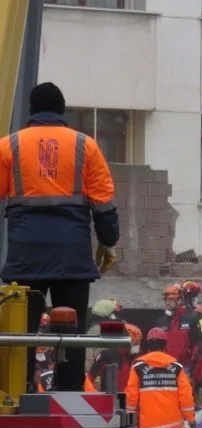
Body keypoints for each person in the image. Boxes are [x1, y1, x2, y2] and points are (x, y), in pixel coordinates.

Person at [0, 82, 119, 392]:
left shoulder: (8, 146)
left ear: (32, 110)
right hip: (72, 252)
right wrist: (108, 242)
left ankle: (22, 387)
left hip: (25, 255)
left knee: (20, 331)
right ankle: (69, 389)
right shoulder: (86, 146)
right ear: (62, 110)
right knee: (72, 329)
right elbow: (103, 201)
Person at [84, 323, 142, 392]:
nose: (138, 346)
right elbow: (89, 377)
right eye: (135, 343)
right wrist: (94, 394)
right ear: (127, 341)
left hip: (131, 400)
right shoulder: (107, 355)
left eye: (139, 343)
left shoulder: (140, 358)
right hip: (109, 400)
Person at [155, 284, 201, 370]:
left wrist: (193, 364)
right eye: (166, 300)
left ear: (180, 300)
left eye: (171, 299)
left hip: (185, 367)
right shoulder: (161, 322)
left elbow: (197, 344)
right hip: (165, 366)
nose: (168, 302)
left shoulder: (191, 318)